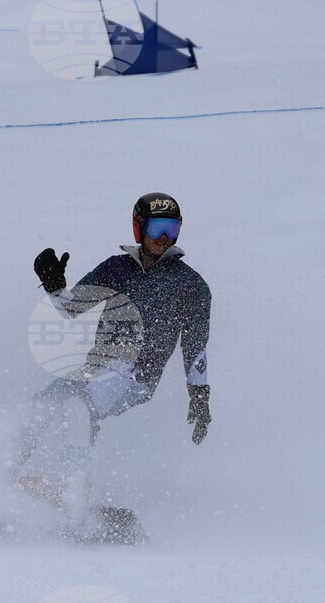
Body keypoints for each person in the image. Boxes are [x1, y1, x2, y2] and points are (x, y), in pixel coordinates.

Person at [13, 193, 212, 500]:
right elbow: (72, 308)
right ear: (139, 228)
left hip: (136, 377)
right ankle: (1, 470)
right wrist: (55, 286)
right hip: (96, 368)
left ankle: (72, 488)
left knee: (79, 404)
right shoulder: (116, 269)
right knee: (45, 403)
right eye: (157, 227)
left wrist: (199, 396)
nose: (163, 238)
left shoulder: (190, 285)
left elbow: (195, 345)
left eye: (172, 229)